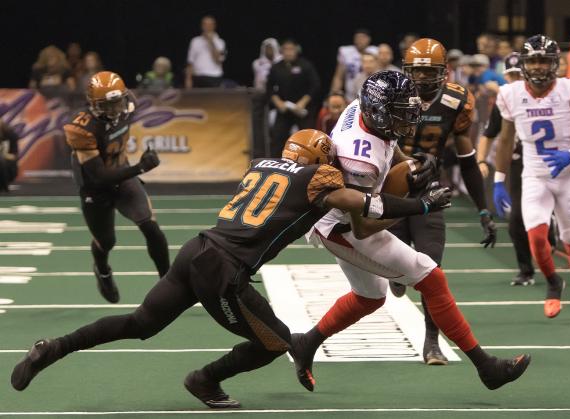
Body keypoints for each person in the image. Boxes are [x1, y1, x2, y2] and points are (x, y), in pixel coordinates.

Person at [11, 129, 453, 408]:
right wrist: (421, 204)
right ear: (320, 160)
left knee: (139, 323)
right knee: (276, 342)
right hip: (223, 270)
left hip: (198, 248)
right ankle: (205, 380)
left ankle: (53, 348)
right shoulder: (320, 179)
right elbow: (364, 204)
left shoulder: (261, 165)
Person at [291, 70, 530, 392]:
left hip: (353, 211)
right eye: (400, 113)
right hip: (343, 226)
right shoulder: (358, 159)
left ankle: (306, 343)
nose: (409, 120)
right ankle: (486, 367)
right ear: (377, 110)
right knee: (432, 278)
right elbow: (364, 228)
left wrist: (411, 161)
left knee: (370, 297)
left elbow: (388, 145)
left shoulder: (361, 110)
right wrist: (421, 206)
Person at [389, 39, 497, 365]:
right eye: (416, 70)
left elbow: (467, 158)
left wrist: (483, 209)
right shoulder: (390, 95)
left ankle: (432, 341)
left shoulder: (455, 101)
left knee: (432, 271)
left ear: (443, 72)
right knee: (395, 270)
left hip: (429, 191)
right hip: (392, 190)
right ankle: (395, 275)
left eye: (428, 70)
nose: (421, 77)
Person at [493, 35, 570, 321]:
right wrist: (498, 179)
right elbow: (505, 140)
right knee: (536, 238)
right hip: (535, 177)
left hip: (566, 177)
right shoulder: (511, 93)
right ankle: (553, 284)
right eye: (533, 60)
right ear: (524, 64)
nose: (538, 66)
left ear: (555, 63)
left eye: (543, 60)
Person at [62, 71, 170, 303]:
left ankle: (169, 284)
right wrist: (140, 168)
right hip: (95, 188)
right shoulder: (82, 128)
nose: (113, 110)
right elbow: (100, 176)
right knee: (107, 242)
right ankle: (102, 271)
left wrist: (135, 169)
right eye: (106, 105)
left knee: (151, 228)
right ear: (92, 104)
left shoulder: (128, 103)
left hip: (123, 175)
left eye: (116, 102)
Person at [477, 52, 556, 286]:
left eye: (517, 75)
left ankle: (551, 239)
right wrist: (482, 160)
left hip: (550, 162)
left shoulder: (550, 94)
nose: (514, 80)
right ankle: (526, 269)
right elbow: (490, 133)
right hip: (520, 164)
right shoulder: (506, 98)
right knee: (517, 221)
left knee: (545, 220)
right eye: (510, 75)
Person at [267, 39, 320, 158]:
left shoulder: (306, 65)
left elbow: (315, 85)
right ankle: (275, 163)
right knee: (277, 137)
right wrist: (278, 102)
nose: (288, 52)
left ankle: (309, 163)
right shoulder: (276, 67)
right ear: (281, 51)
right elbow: (269, 88)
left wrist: (303, 102)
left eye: (291, 49)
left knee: (308, 139)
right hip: (285, 109)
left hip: (303, 109)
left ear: (297, 50)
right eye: (286, 49)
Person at [330, 28, 378, 102]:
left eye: (362, 38)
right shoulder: (346, 52)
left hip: (372, 95)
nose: (359, 40)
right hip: (350, 96)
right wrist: (334, 93)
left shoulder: (375, 51)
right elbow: (338, 76)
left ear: (369, 39)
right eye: (357, 38)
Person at [185, 15, 226, 88]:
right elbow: (190, 62)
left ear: (214, 26)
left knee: (213, 99)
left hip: (214, 77)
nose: (207, 27)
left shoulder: (221, 42)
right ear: (201, 26)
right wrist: (188, 79)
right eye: (205, 24)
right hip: (197, 77)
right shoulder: (195, 41)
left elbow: (218, 60)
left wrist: (211, 42)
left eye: (210, 24)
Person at [0, 120, 19, 191]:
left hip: (7, 167)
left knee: (1, 159)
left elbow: (14, 156)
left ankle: (4, 185)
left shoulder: (11, 135)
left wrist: (3, 154)